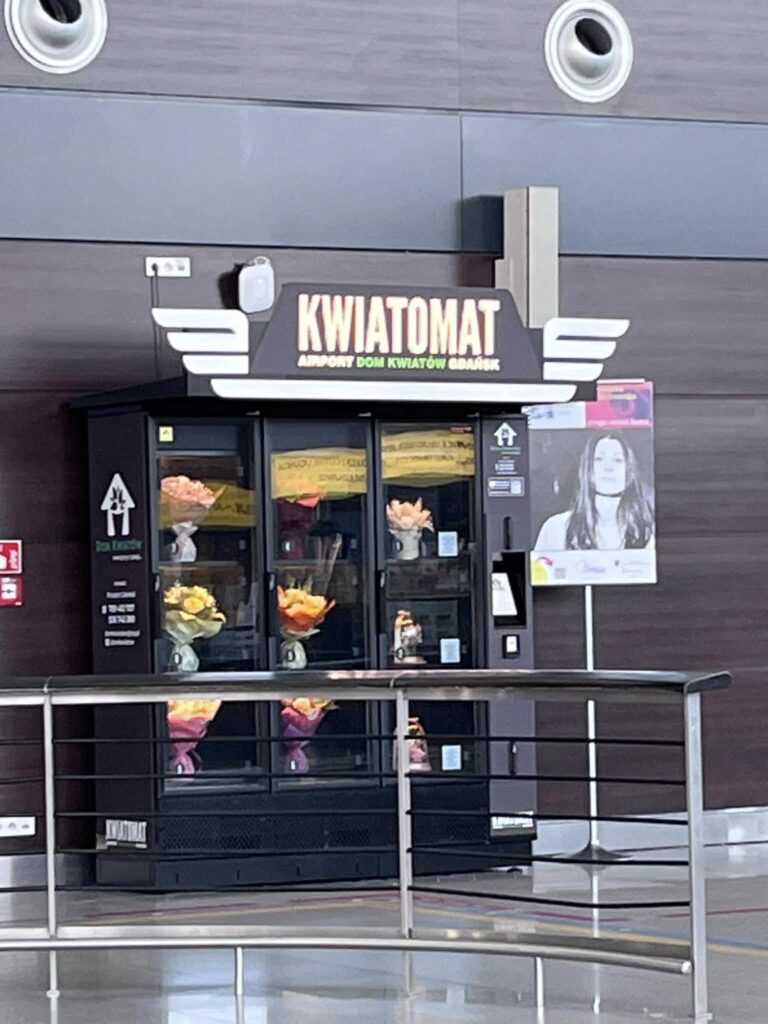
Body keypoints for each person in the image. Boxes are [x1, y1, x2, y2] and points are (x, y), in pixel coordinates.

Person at [534, 433, 654, 551]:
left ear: (629, 470)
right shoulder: (556, 528)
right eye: (599, 459)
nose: (608, 467)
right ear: (587, 468)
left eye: (617, 460)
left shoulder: (649, 532)